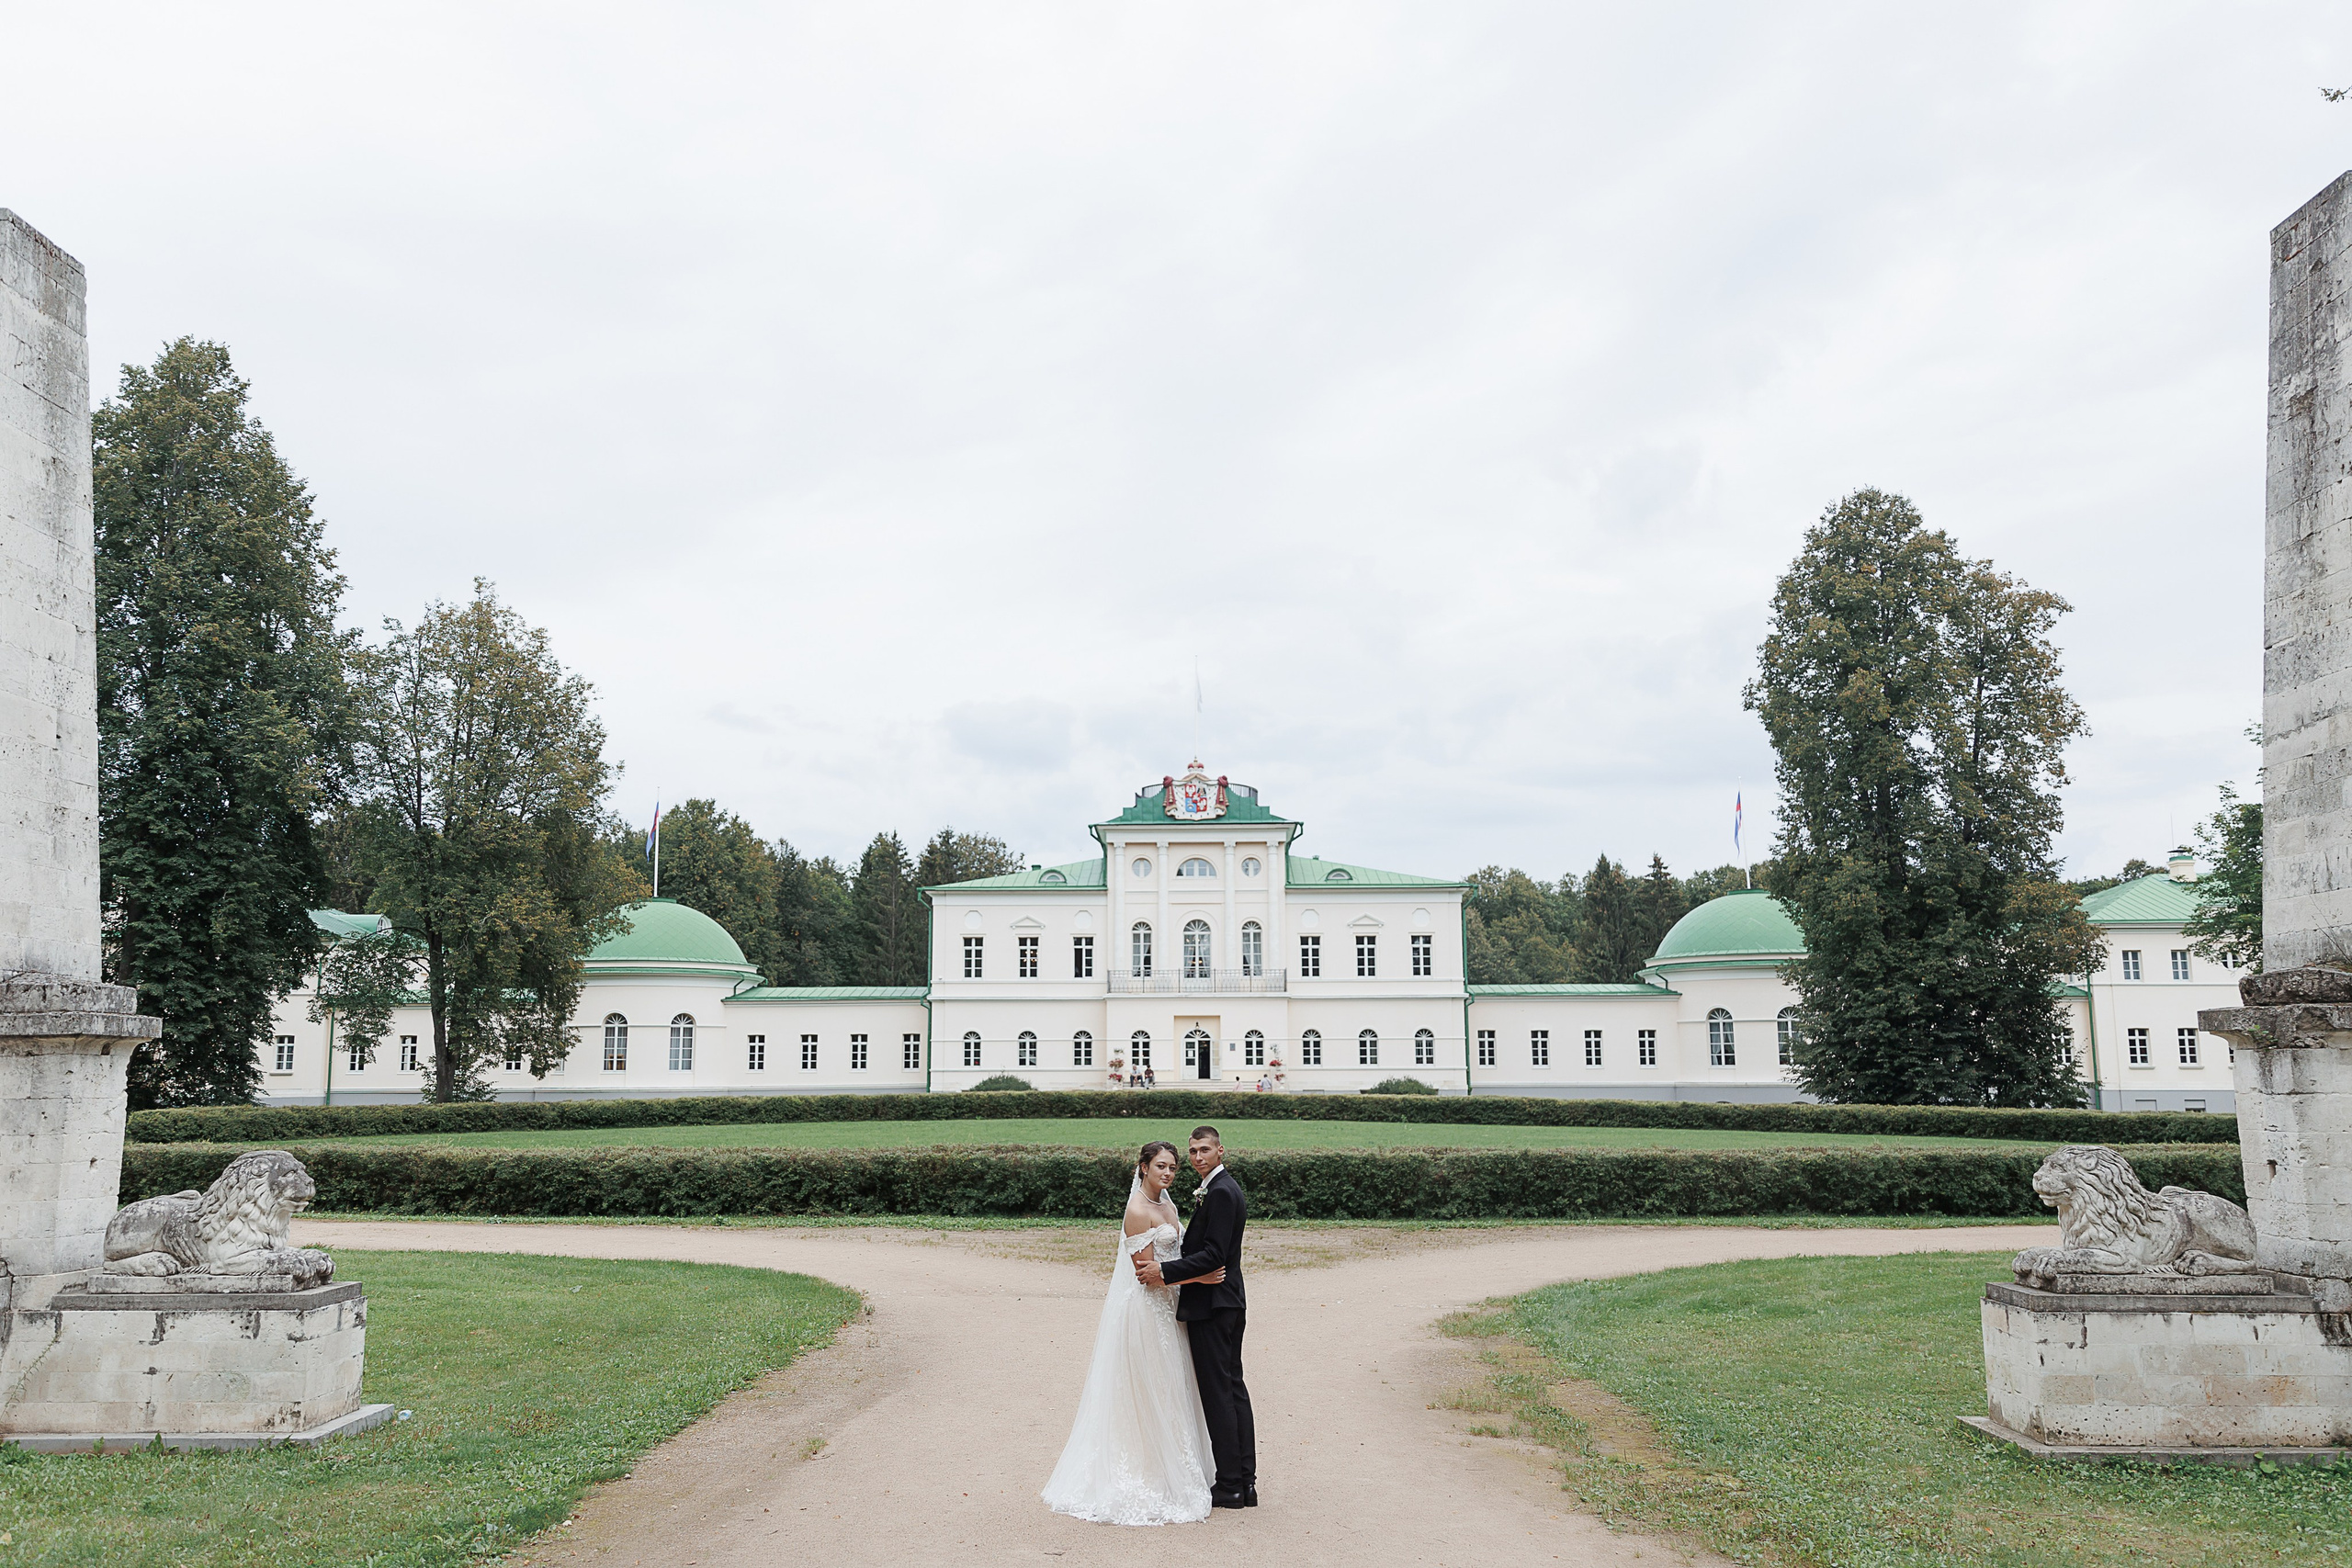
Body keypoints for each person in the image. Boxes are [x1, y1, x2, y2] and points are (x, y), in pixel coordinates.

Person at [1041, 1141, 1226, 1525]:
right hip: (1148, 1313)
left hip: (1172, 1311)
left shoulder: (1168, 1204)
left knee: (1173, 1388)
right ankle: (1148, 1472)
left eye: (1172, 1167)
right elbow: (1146, 1275)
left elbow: (1173, 1257)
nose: (1168, 1173)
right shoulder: (1138, 1211)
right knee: (1149, 1390)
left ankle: (1177, 1466)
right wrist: (1200, 1278)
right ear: (1143, 1167)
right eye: (1161, 1166)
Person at [1135, 1125, 1256, 1508]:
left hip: (1214, 1305)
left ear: (1221, 1151)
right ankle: (1244, 1483)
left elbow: (1214, 1255)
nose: (1198, 1157)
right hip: (1224, 1302)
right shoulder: (1218, 1188)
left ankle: (1231, 1484)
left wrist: (1165, 1272)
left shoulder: (1220, 1191)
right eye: (1193, 1151)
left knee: (1220, 1394)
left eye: (1204, 1150)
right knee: (1232, 1389)